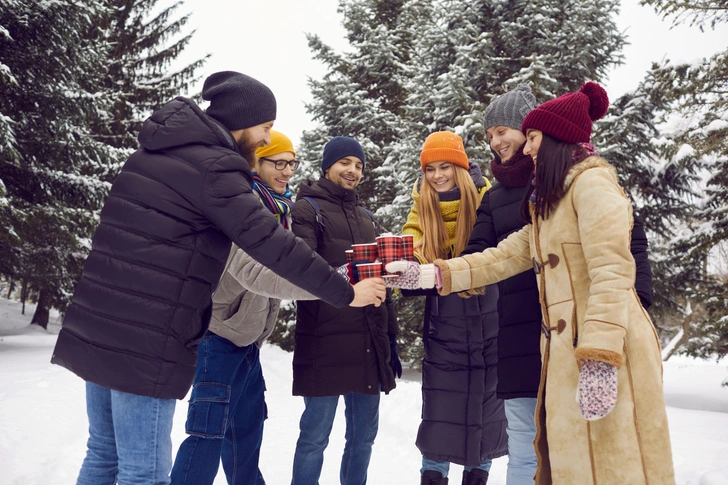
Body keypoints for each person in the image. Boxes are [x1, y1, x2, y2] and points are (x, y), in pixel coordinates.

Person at [51, 72, 386, 485]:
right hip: (147, 336)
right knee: (145, 471)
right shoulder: (216, 168)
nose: (266, 139)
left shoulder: (149, 156)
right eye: (265, 129)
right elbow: (271, 247)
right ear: (243, 121)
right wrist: (345, 291)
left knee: (104, 454)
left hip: (99, 322)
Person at [387, 82, 675, 485]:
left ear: (554, 138)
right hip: (548, 346)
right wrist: (430, 274)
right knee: (559, 459)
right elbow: (499, 256)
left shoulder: (591, 184)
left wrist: (602, 353)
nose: (525, 148)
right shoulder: (545, 203)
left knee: (616, 463)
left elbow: (614, 268)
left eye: (531, 136)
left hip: (601, 349)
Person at [461, 85, 654, 485]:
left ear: (535, 133)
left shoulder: (581, 182)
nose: (497, 142)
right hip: (518, 336)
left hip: (581, 334)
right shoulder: (496, 197)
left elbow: (625, 246)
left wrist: (632, 307)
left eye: (505, 131)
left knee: (582, 453)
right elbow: (484, 252)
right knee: (525, 449)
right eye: (490, 135)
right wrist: (447, 275)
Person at [171, 130, 319, 484]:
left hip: (248, 343)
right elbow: (257, 275)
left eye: (291, 163)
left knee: (246, 439)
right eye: (278, 163)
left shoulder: (279, 213)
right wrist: (334, 289)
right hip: (218, 338)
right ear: (256, 162)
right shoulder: (240, 206)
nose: (287, 172)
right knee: (206, 437)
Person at [289, 136, 401, 485]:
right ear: (327, 166)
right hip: (325, 342)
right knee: (314, 439)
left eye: (359, 165)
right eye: (345, 163)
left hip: (368, 343)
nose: (352, 171)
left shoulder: (366, 216)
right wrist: (350, 285)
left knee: (362, 439)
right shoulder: (307, 209)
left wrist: (391, 340)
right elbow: (304, 269)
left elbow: (380, 280)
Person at [399, 131, 508, 485]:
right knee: (440, 419)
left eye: (445, 166)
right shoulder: (421, 208)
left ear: (460, 167)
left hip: (491, 324)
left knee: (487, 417)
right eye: (430, 169)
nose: (437, 175)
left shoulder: (487, 201)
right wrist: (404, 270)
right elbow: (410, 252)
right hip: (445, 330)